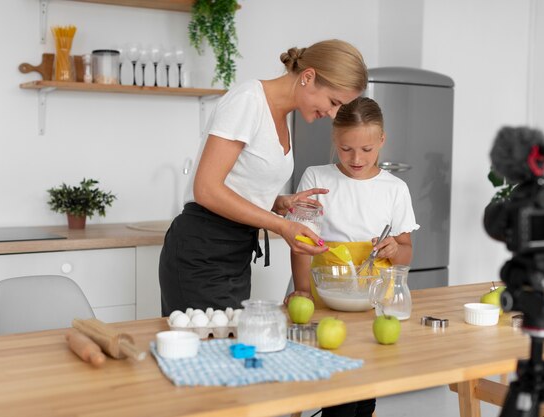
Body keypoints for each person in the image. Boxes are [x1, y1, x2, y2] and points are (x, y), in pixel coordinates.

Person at [159, 39, 368, 316]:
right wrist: (282, 226)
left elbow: (237, 184)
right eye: (332, 102)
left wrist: (278, 202)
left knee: (229, 350)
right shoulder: (248, 101)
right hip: (201, 251)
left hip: (235, 253)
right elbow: (206, 190)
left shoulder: (282, 116)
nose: (331, 114)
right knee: (209, 352)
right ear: (308, 76)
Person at [285, 97, 419, 417]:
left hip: (374, 301)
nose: (356, 158)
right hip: (326, 295)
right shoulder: (317, 178)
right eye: (346, 149)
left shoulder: (395, 188)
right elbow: (301, 242)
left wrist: (394, 250)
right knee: (338, 383)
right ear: (334, 138)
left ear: (382, 141)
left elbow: (406, 252)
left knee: (366, 382)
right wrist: (303, 290)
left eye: (367, 150)